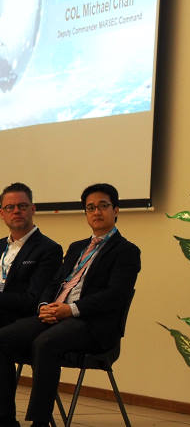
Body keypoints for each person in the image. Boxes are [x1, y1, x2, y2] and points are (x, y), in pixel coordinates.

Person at [0, 183, 140, 427]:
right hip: (58, 315)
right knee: (2, 338)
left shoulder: (126, 251)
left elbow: (115, 295)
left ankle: (40, 422)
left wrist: (72, 309)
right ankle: (4, 419)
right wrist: (45, 304)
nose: (97, 212)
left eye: (103, 206)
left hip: (91, 324)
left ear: (116, 210)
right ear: (86, 214)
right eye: (91, 208)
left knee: (44, 343)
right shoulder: (77, 247)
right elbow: (55, 282)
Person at [0, 184, 62, 328]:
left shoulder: (49, 249)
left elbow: (32, 300)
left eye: (22, 206)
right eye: (10, 207)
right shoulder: (1, 245)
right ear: (2, 213)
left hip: (17, 320)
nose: (16, 211)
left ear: (33, 209)